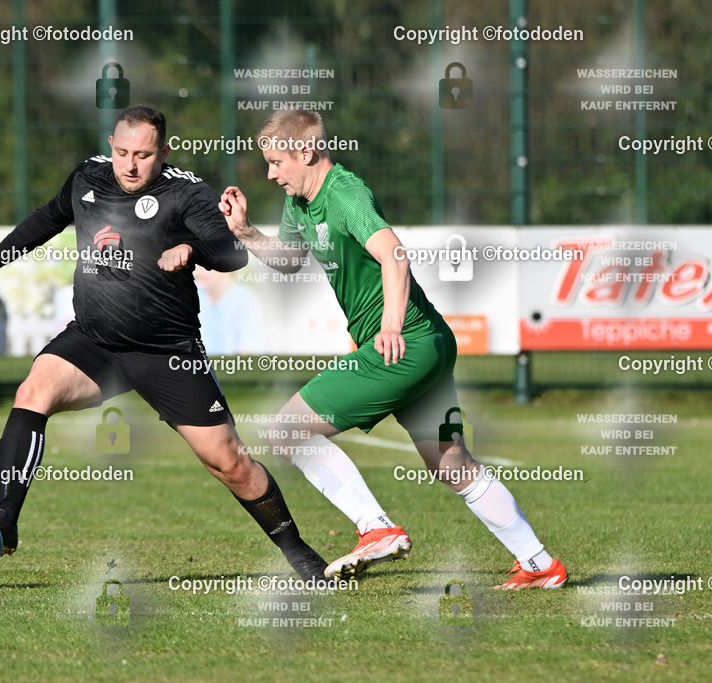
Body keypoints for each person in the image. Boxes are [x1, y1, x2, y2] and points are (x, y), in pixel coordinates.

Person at [0, 105, 327, 582]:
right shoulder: (87, 178)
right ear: (111, 144)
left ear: (163, 152)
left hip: (167, 352)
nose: (130, 165)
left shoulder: (186, 192)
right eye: (123, 152)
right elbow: (45, 219)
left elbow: (231, 252)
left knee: (229, 462)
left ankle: (297, 551)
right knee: (32, 393)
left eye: (144, 155)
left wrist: (192, 248)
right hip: (94, 341)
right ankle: (4, 519)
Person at [219, 110, 567, 589]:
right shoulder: (299, 203)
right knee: (452, 464)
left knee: (286, 430)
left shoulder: (345, 193)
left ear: (306, 152)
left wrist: (389, 326)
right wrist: (246, 234)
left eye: (277, 162)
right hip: (428, 345)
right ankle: (539, 564)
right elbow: (292, 260)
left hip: (406, 344)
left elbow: (394, 255)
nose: (270, 174)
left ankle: (375, 527)